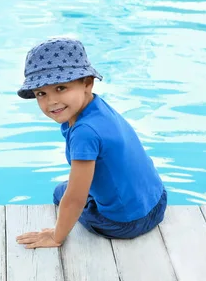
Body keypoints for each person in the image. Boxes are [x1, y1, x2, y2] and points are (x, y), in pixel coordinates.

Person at [15, 37, 167, 249]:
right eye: (42, 93)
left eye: (60, 88)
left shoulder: (84, 132)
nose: (51, 101)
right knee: (67, 190)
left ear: (87, 83)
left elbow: (75, 199)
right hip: (157, 201)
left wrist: (56, 236)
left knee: (61, 194)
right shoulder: (97, 106)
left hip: (127, 223)